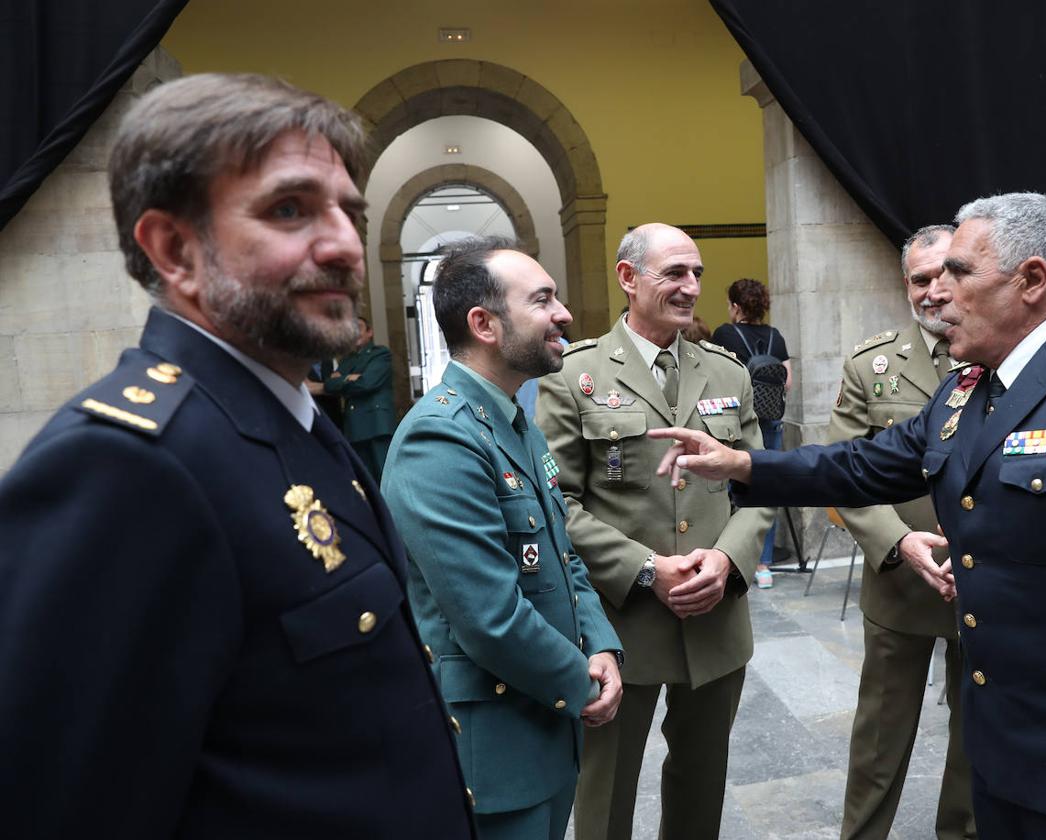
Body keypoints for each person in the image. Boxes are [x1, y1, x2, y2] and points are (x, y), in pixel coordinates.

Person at [0, 74, 475, 837]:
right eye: (290, 209)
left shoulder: (292, 419)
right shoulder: (129, 465)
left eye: (350, 213)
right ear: (174, 249)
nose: (346, 244)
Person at [651, 193, 1046, 839]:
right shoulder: (970, 389)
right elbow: (864, 464)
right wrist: (743, 465)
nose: (937, 293)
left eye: (959, 273)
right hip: (1000, 751)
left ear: (1030, 280)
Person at [537, 223, 773, 840]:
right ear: (627, 278)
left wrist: (727, 561)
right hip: (622, 621)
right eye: (674, 273)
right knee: (605, 793)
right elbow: (555, 502)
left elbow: (758, 486)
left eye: (696, 273)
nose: (691, 286)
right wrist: (645, 568)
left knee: (702, 787)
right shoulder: (574, 374)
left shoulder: (728, 373)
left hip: (715, 614)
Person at [382, 237, 622, 840]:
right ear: (484, 324)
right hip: (494, 748)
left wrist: (602, 643)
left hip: (547, 722)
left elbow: (563, 558)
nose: (564, 314)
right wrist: (580, 680)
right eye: (542, 300)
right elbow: (488, 615)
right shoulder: (440, 437)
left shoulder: (515, 422)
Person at [828, 225, 974, 840]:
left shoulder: (997, 351)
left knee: (978, 738)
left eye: (948, 274)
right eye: (920, 279)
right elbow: (842, 471)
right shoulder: (873, 366)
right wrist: (898, 541)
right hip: (900, 587)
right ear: (905, 286)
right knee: (879, 742)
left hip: (987, 587)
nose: (934, 290)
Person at [711, 278, 792, 587]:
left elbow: (717, 377)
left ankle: (732, 557)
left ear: (735, 306)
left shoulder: (725, 334)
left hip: (737, 424)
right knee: (766, 487)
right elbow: (787, 381)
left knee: (732, 490)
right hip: (771, 422)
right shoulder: (776, 336)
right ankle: (763, 565)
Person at [322, 315, 395, 483]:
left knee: (386, 480)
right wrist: (350, 378)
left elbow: (367, 383)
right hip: (354, 428)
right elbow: (330, 384)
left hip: (376, 425)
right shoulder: (347, 360)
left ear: (370, 332)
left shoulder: (380, 353)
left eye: (359, 329)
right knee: (364, 482)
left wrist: (343, 379)